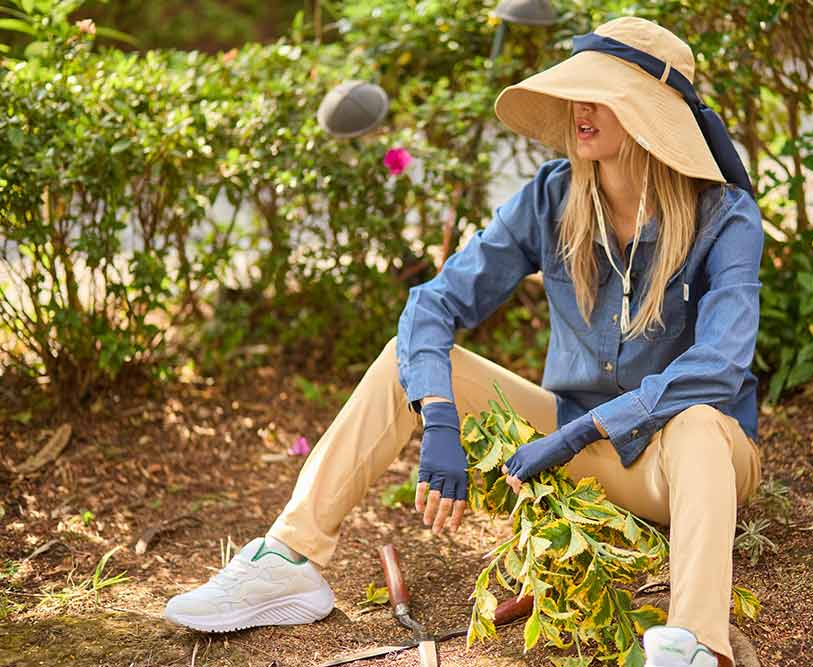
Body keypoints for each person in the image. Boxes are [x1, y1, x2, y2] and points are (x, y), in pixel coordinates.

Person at [164, 16, 762, 667]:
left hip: (688, 468)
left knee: (701, 419)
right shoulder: (551, 198)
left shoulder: (723, 216)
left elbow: (719, 366)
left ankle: (696, 646)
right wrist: (440, 414)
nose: (581, 109)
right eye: (579, 92)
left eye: (603, 94)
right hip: (582, 459)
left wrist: (578, 431)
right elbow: (435, 304)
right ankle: (290, 558)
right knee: (408, 357)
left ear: (649, 112)